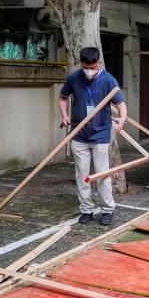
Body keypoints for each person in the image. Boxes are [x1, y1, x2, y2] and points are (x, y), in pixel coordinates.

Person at [58, 47, 128, 227]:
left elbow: (120, 103)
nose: (89, 71)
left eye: (93, 67)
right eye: (85, 67)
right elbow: (62, 97)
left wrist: (122, 118)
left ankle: (107, 210)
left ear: (99, 64)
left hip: (100, 135)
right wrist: (65, 116)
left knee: (102, 175)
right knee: (82, 175)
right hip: (79, 134)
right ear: (81, 64)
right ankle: (86, 209)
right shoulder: (74, 77)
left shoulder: (108, 80)